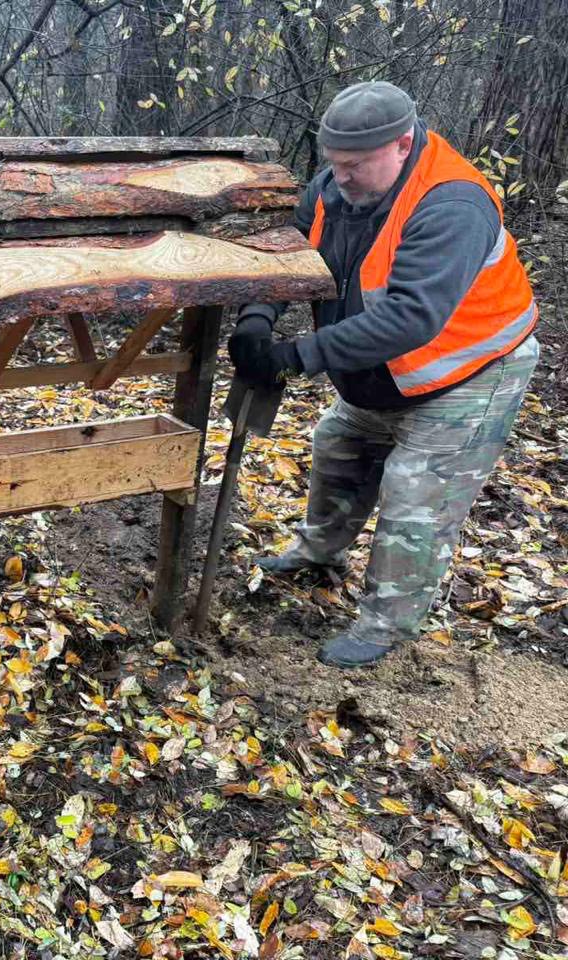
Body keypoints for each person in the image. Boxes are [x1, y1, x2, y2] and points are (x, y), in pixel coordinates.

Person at [229, 82, 538, 667]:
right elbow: (289, 252)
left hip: (469, 371)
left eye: (354, 164)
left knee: (417, 496)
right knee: (339, 447)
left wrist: (296, 355)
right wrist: (257, 317)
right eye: (333, 162)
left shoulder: (452, 204)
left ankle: (385, 624)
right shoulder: (334, 188)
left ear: (402, 144)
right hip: (379, 370)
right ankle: (318, 552)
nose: (340, 176)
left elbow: (411, 317)